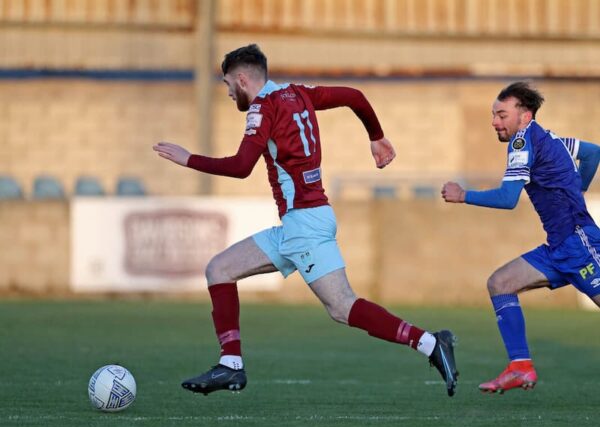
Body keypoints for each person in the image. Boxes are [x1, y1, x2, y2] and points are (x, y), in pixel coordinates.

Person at [154, 44, 459, 397]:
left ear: (241, 79)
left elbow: (240, 167)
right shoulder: (298, 93)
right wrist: (375, 136)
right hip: (302, 223)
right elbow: (354, 96)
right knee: (219, 269)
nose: (227, 92)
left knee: (343, 307)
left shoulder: (261, 108)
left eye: (226, 84)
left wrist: (188, 158)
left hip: (305, 226)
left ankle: (429, 343)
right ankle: (230, 365)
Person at [442, 81, 600, 394]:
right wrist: (575, 190)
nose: (494, 122)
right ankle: (520, 366)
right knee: (500, 283)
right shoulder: (549, 138)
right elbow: (593, 153)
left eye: (502, 114)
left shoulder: (522, 142)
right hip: (558, 247)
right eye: (493, 115)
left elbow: (507, 198)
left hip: (579, 243)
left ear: (524, 116)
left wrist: (463, 196)